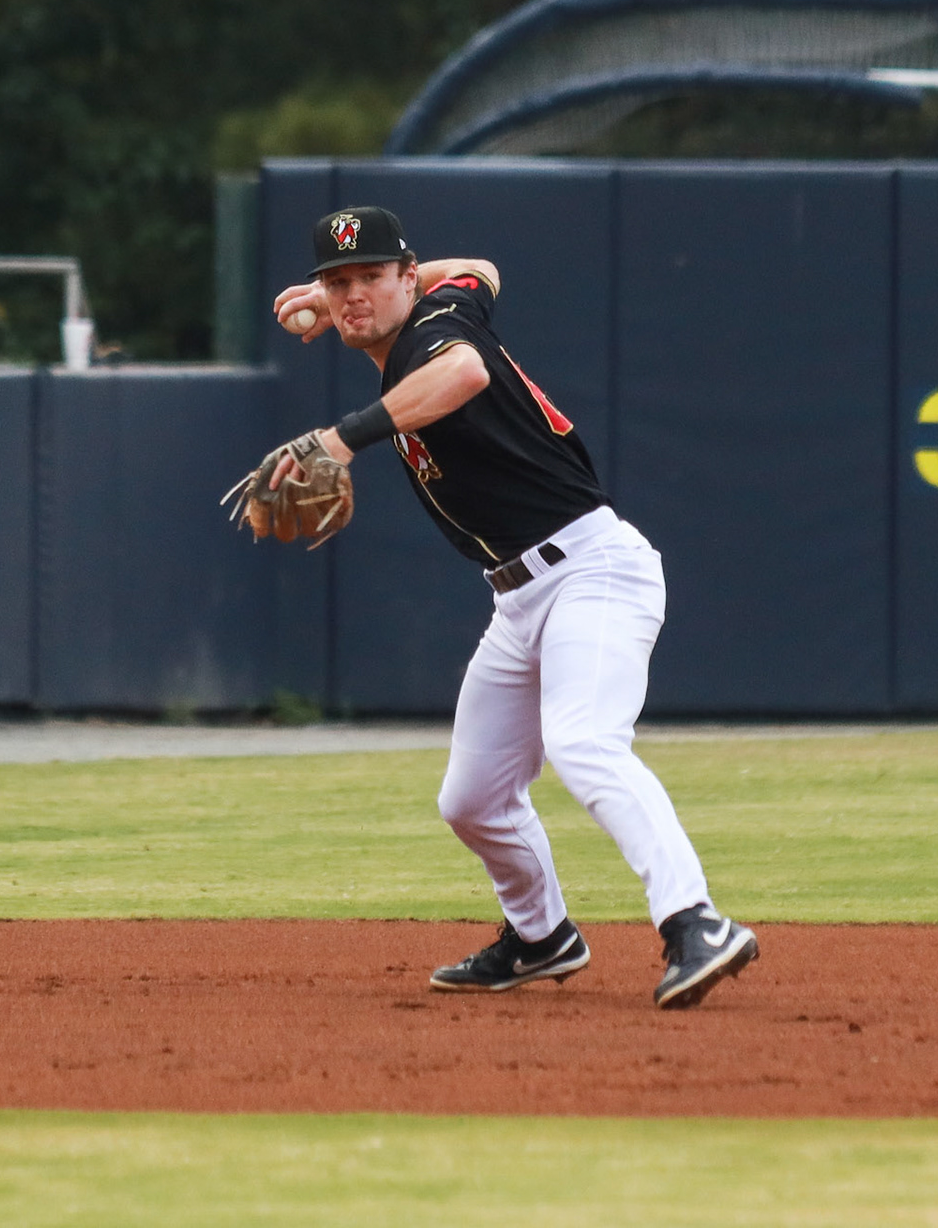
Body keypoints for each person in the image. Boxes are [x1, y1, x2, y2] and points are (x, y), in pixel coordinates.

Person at [271, 206, 758, 1010]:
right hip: (520, 598)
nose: (353, 295)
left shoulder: (434, 337)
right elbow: (484, 269)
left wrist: (340, 438)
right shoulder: (448, 302)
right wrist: (349, 301)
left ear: (406, 276)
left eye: (372, 277)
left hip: (593, 571)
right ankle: (541, 937)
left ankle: (694, 920)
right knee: (471, 800)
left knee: (584, 741)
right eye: (338, 281)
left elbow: (465, 375)